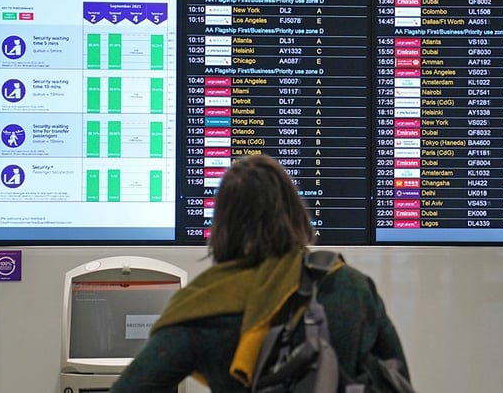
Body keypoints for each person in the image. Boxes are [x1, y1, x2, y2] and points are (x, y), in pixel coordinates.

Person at [110, 154, 409, 392]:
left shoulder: (204, 307)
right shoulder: (351, 287)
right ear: (294, 213)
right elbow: (398, 379)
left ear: (222, 227)